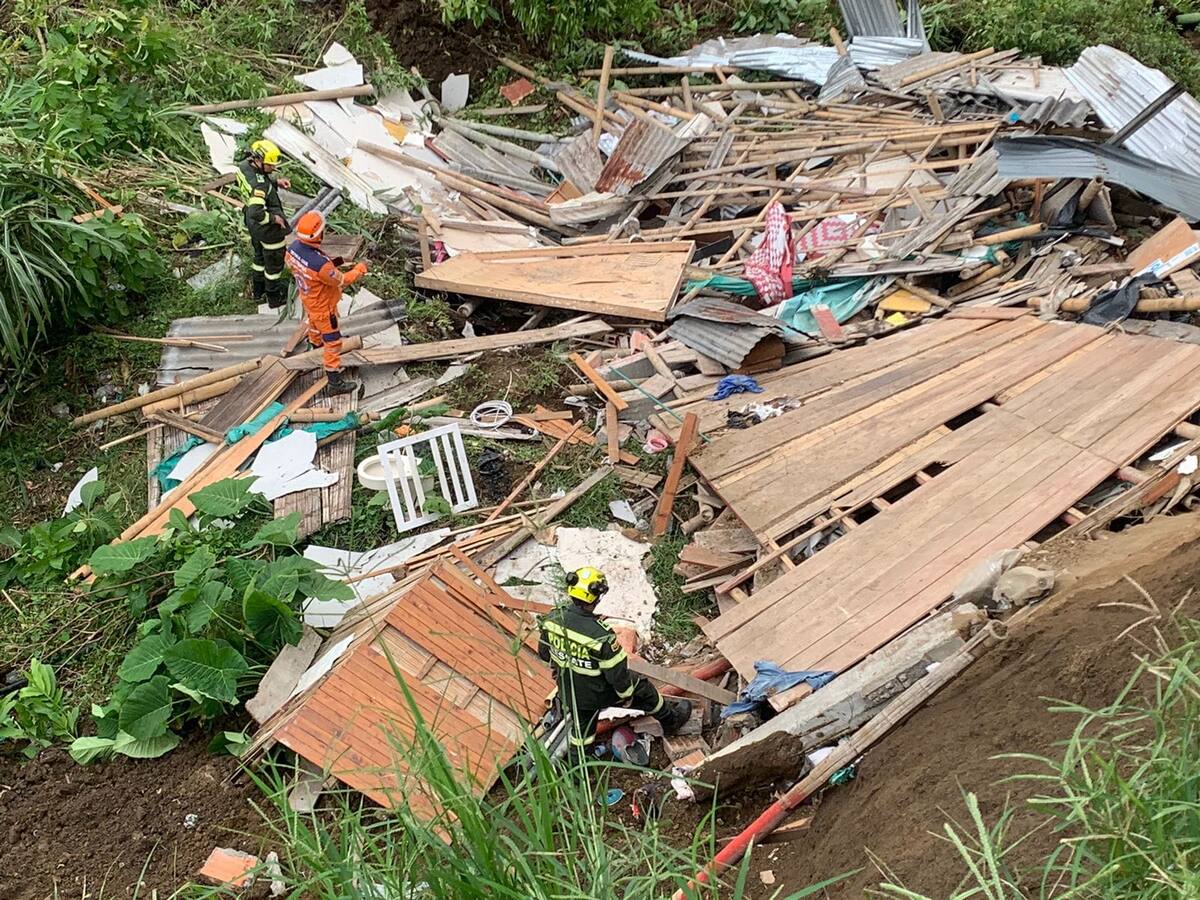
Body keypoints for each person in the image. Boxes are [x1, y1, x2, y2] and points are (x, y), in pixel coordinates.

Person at [537, 566, 691, 760]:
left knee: (582, 731)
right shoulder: (601, 636)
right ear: (596, 597)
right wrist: (626, 696)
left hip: (570, 692)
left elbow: (544, 654)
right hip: (597, 694)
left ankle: (579, 766)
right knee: (643, 688)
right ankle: (671, 720)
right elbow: (618, 677)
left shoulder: (552, 620)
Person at [285, 210, 367, 396]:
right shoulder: (320, 265)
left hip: (308, 300)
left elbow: (296, 267)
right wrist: (359, 269)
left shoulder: (293, 249)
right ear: (318, 234)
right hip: (324, 308)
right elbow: (342, 280)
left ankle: (315, 351)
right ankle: (334, 381)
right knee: (333, 342)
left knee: (314, 330)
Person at [235, 139, 291, 309]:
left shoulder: (244, 166)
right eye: (269, 165)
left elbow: (257, 182)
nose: (273, 168)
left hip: (252, 225)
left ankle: (258, 290)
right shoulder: (259, 186)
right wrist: (274, 219)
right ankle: (274, 298)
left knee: (259, 257)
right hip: (267, 228)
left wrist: (275, 182)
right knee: (274, 263)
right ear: (258, 160)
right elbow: (256, 211)